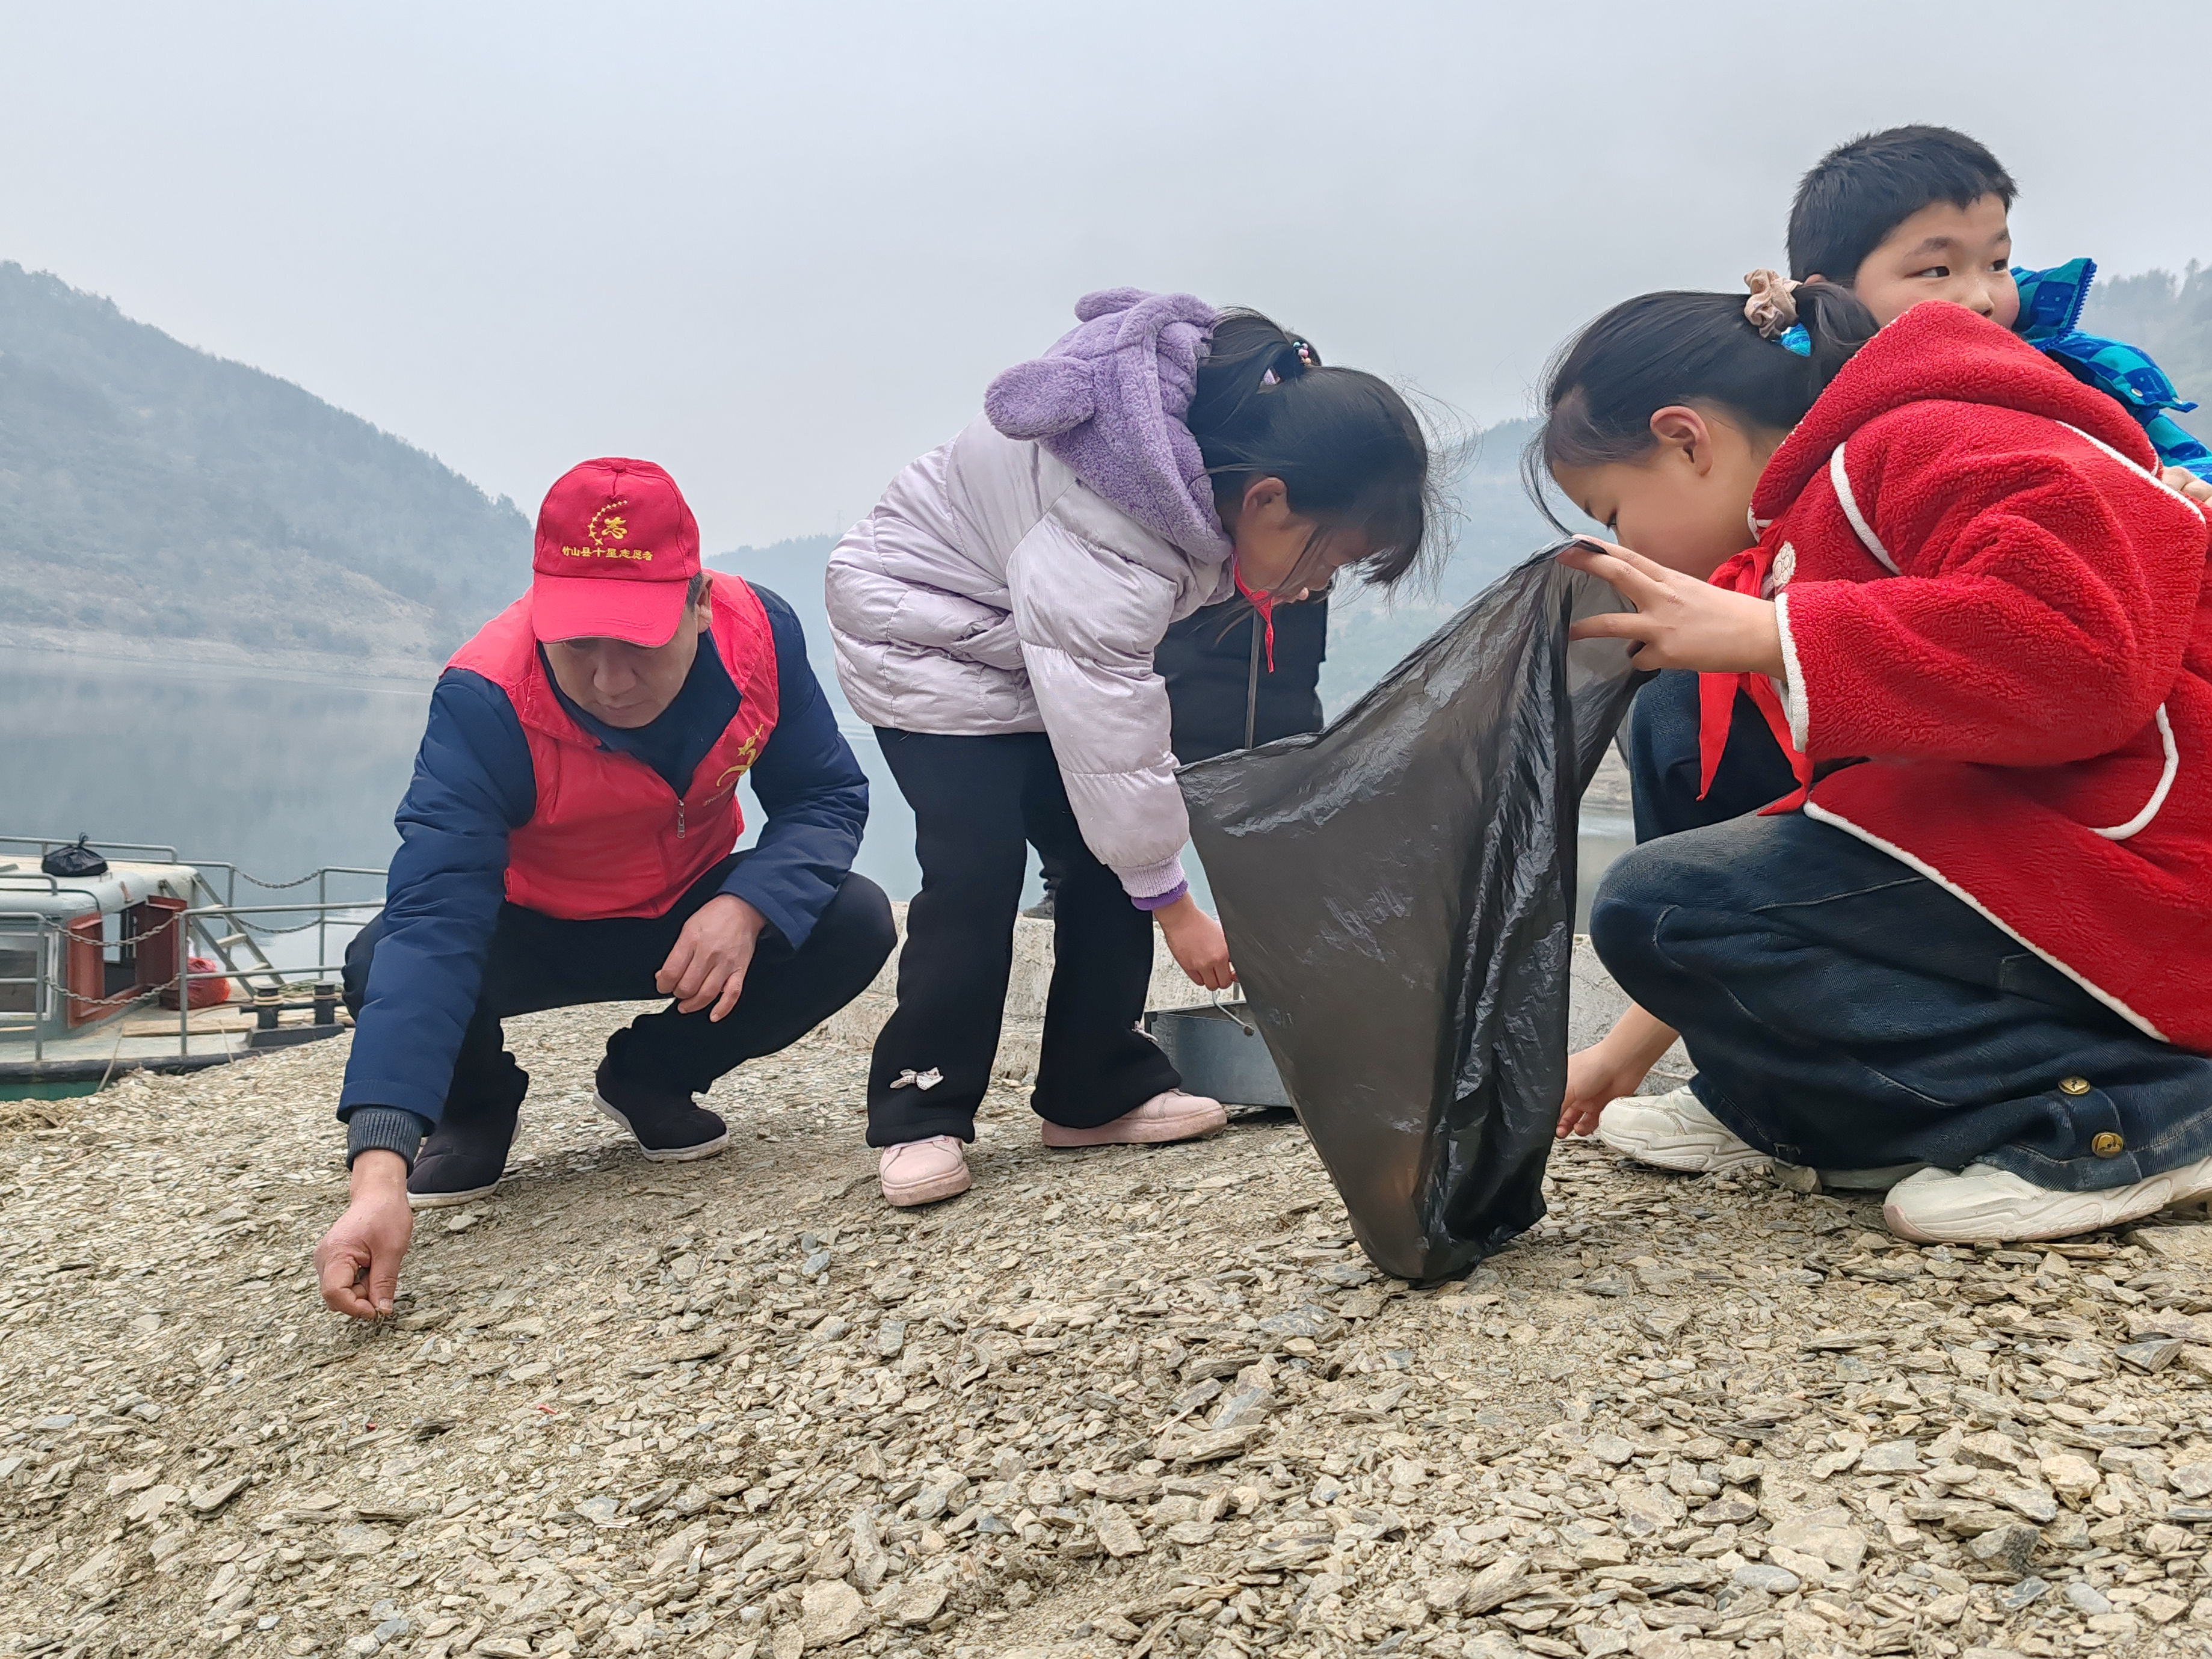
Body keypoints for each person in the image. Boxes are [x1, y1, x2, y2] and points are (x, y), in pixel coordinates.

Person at [1539, 276, 2212, 1243]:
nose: (1620, 542)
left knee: (1662, 899)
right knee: (1680, 801)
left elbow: (2084, 654)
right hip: (2041, 843)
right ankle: (1786, 1101)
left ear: (1686, 440)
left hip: (2147, 861)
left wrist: (1778, 634)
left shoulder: (1927, 437)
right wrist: (1624, 1051)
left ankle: (2132, 1109)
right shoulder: (1818, 506)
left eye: (1612, 510)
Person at [827, 291, 1432, 1207]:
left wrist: (1143, 870)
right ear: (1267, 499)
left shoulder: (1185, 477)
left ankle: (1093, 1087)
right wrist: (1176, 905)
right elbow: (1112, 726)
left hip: (1023, 645)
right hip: (926, 637)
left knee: (1097, 860)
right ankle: (923, 1107)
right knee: (975, 866)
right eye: (1327, 558)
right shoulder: (1118, 527)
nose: (1320, 584)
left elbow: (1103, 715)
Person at [314, 458, 895, 1319]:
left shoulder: (761, 635)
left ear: (699, 603)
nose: (610, 680)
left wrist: (746, 905)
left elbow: (823, 795)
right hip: (532, 921)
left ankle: (652, 1075)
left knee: (851, 917)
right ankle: (475, 1111)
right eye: (578, 641)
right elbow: (435, 922)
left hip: (686, 912)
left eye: (639, 641)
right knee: (378, 959)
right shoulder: (484, 697)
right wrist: (377, 1172)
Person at [1785, 123, 2212, 500]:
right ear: (1830, 296)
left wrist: (2189, 486)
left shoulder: (2075, 378)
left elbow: (2186, 462)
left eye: (1996, 264)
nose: (1980, 298)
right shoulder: (1782, 403)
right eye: (1936, 270)